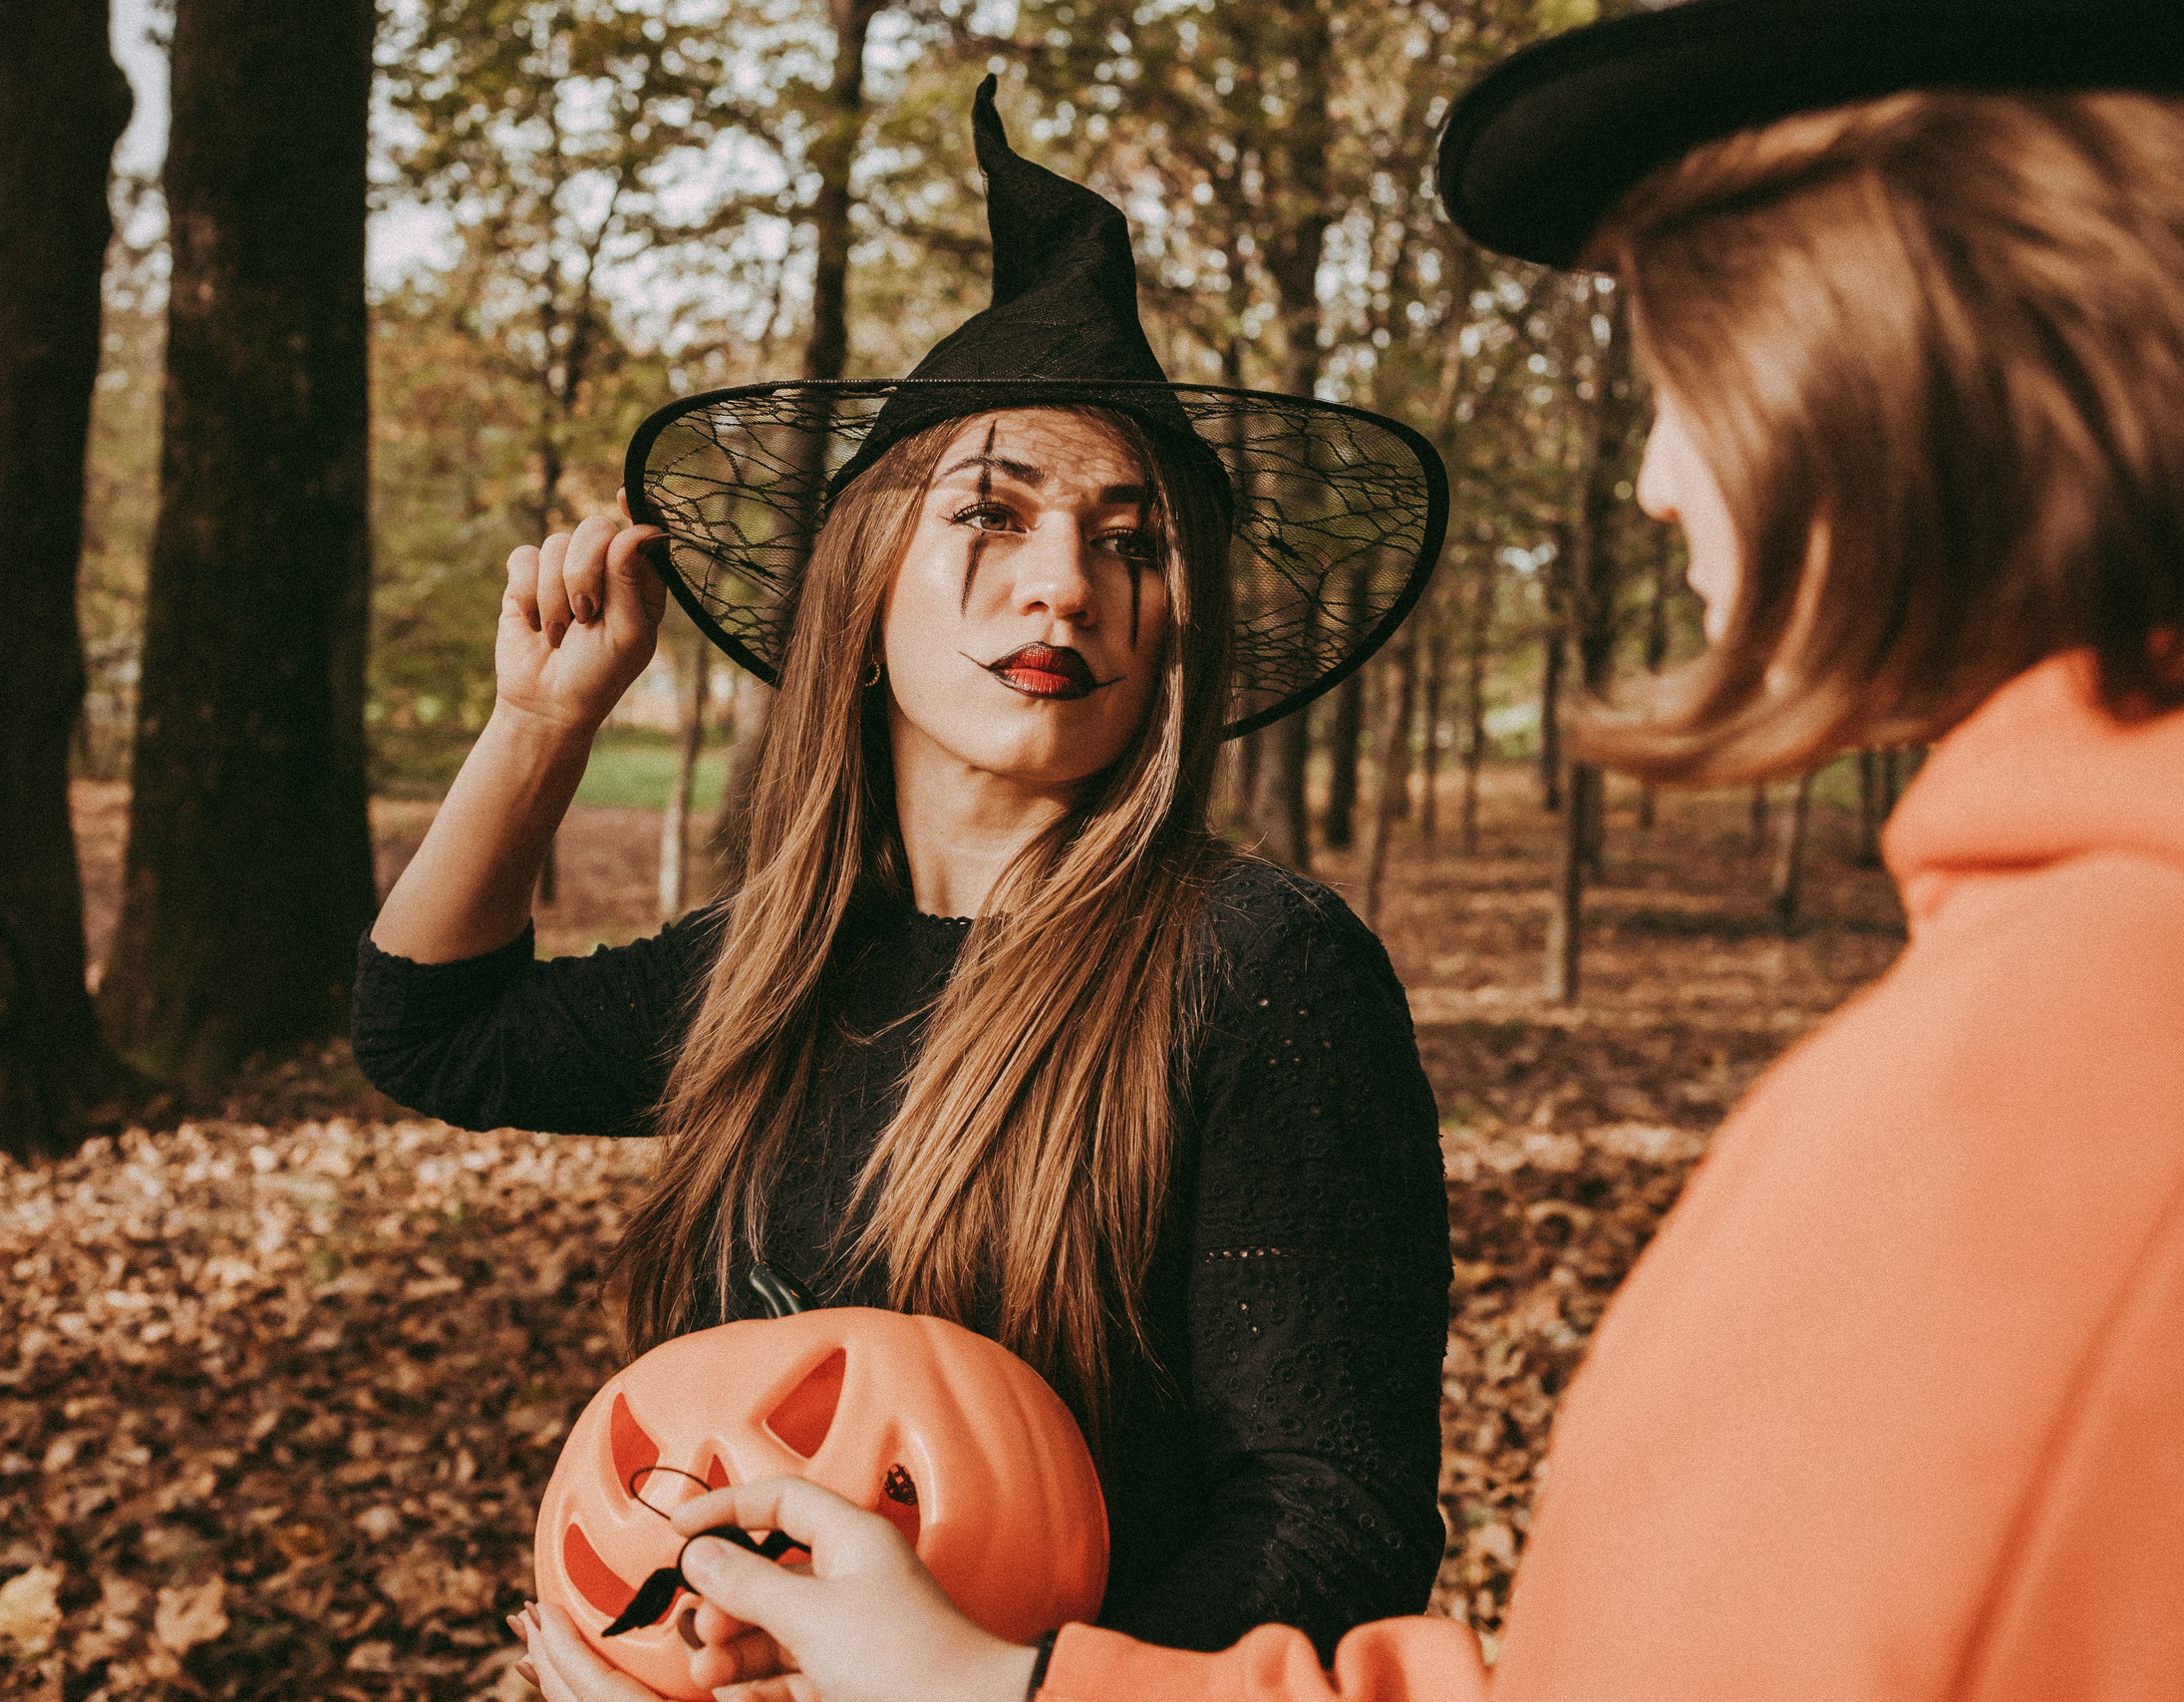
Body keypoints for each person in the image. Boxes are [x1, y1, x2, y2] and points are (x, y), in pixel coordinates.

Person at [523, 2, 2184, 1699]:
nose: (1661, 485)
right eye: (994, 519)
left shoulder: (2062, 1083)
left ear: (1905, 388)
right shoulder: (2015, 1016)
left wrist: (1002, 1685)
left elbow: (1368, 1523)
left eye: (1684, 390)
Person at [353, 80, 1458, 1662]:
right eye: (994, 518)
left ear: (1172, 634)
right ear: (867, 586)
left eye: (1132, 543)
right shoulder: (788, 966)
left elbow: (1333, 1526)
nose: (1066, 582)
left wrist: (981, 1692)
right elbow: (430, 1032)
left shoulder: (1255, 968)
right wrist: (539, 722)